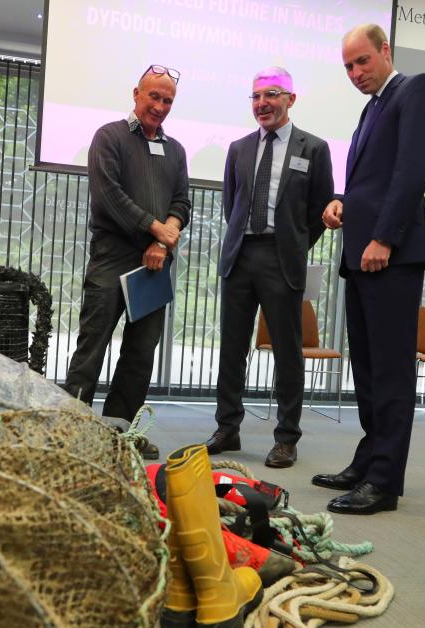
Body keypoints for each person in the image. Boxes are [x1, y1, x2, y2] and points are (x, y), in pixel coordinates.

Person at [316, 24, 425, 514]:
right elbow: (373, 182)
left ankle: (384, 482)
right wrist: (342, 203)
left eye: (362, 62)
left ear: (385, 50)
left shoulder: (419, 89)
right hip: (362, 253)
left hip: (389, 254)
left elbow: (412, 171)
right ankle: (369, 459)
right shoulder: (372, 107)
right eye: (348, 66)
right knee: (367, 369)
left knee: (391, 371)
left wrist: (383, 237)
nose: (355, 73)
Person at [205, 67, 333, 468]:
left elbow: (319, 211)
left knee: (288, 353)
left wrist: (292, 246)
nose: (263, 103)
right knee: (232, 348)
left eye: (272, 94)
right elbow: (232, 205)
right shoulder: (239, 148)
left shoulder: (314, 148)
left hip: (283, 259)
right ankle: (228, 428)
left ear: (290, 100)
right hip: (241, 255)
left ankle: (286, 438)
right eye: (256, 96)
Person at [62, 65, 191, 460]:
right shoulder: (109, 137)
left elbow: (182, 202)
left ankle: (123, 431)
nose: (160, 106)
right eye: (154, 96)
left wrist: (163, 243)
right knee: (92, 346)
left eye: (167, 100)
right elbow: (109, 198)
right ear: (136, 94)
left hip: (156, 263)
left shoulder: (176, 150)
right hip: (112, 257)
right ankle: (72, 431)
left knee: (140, 353)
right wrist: (157, 229)